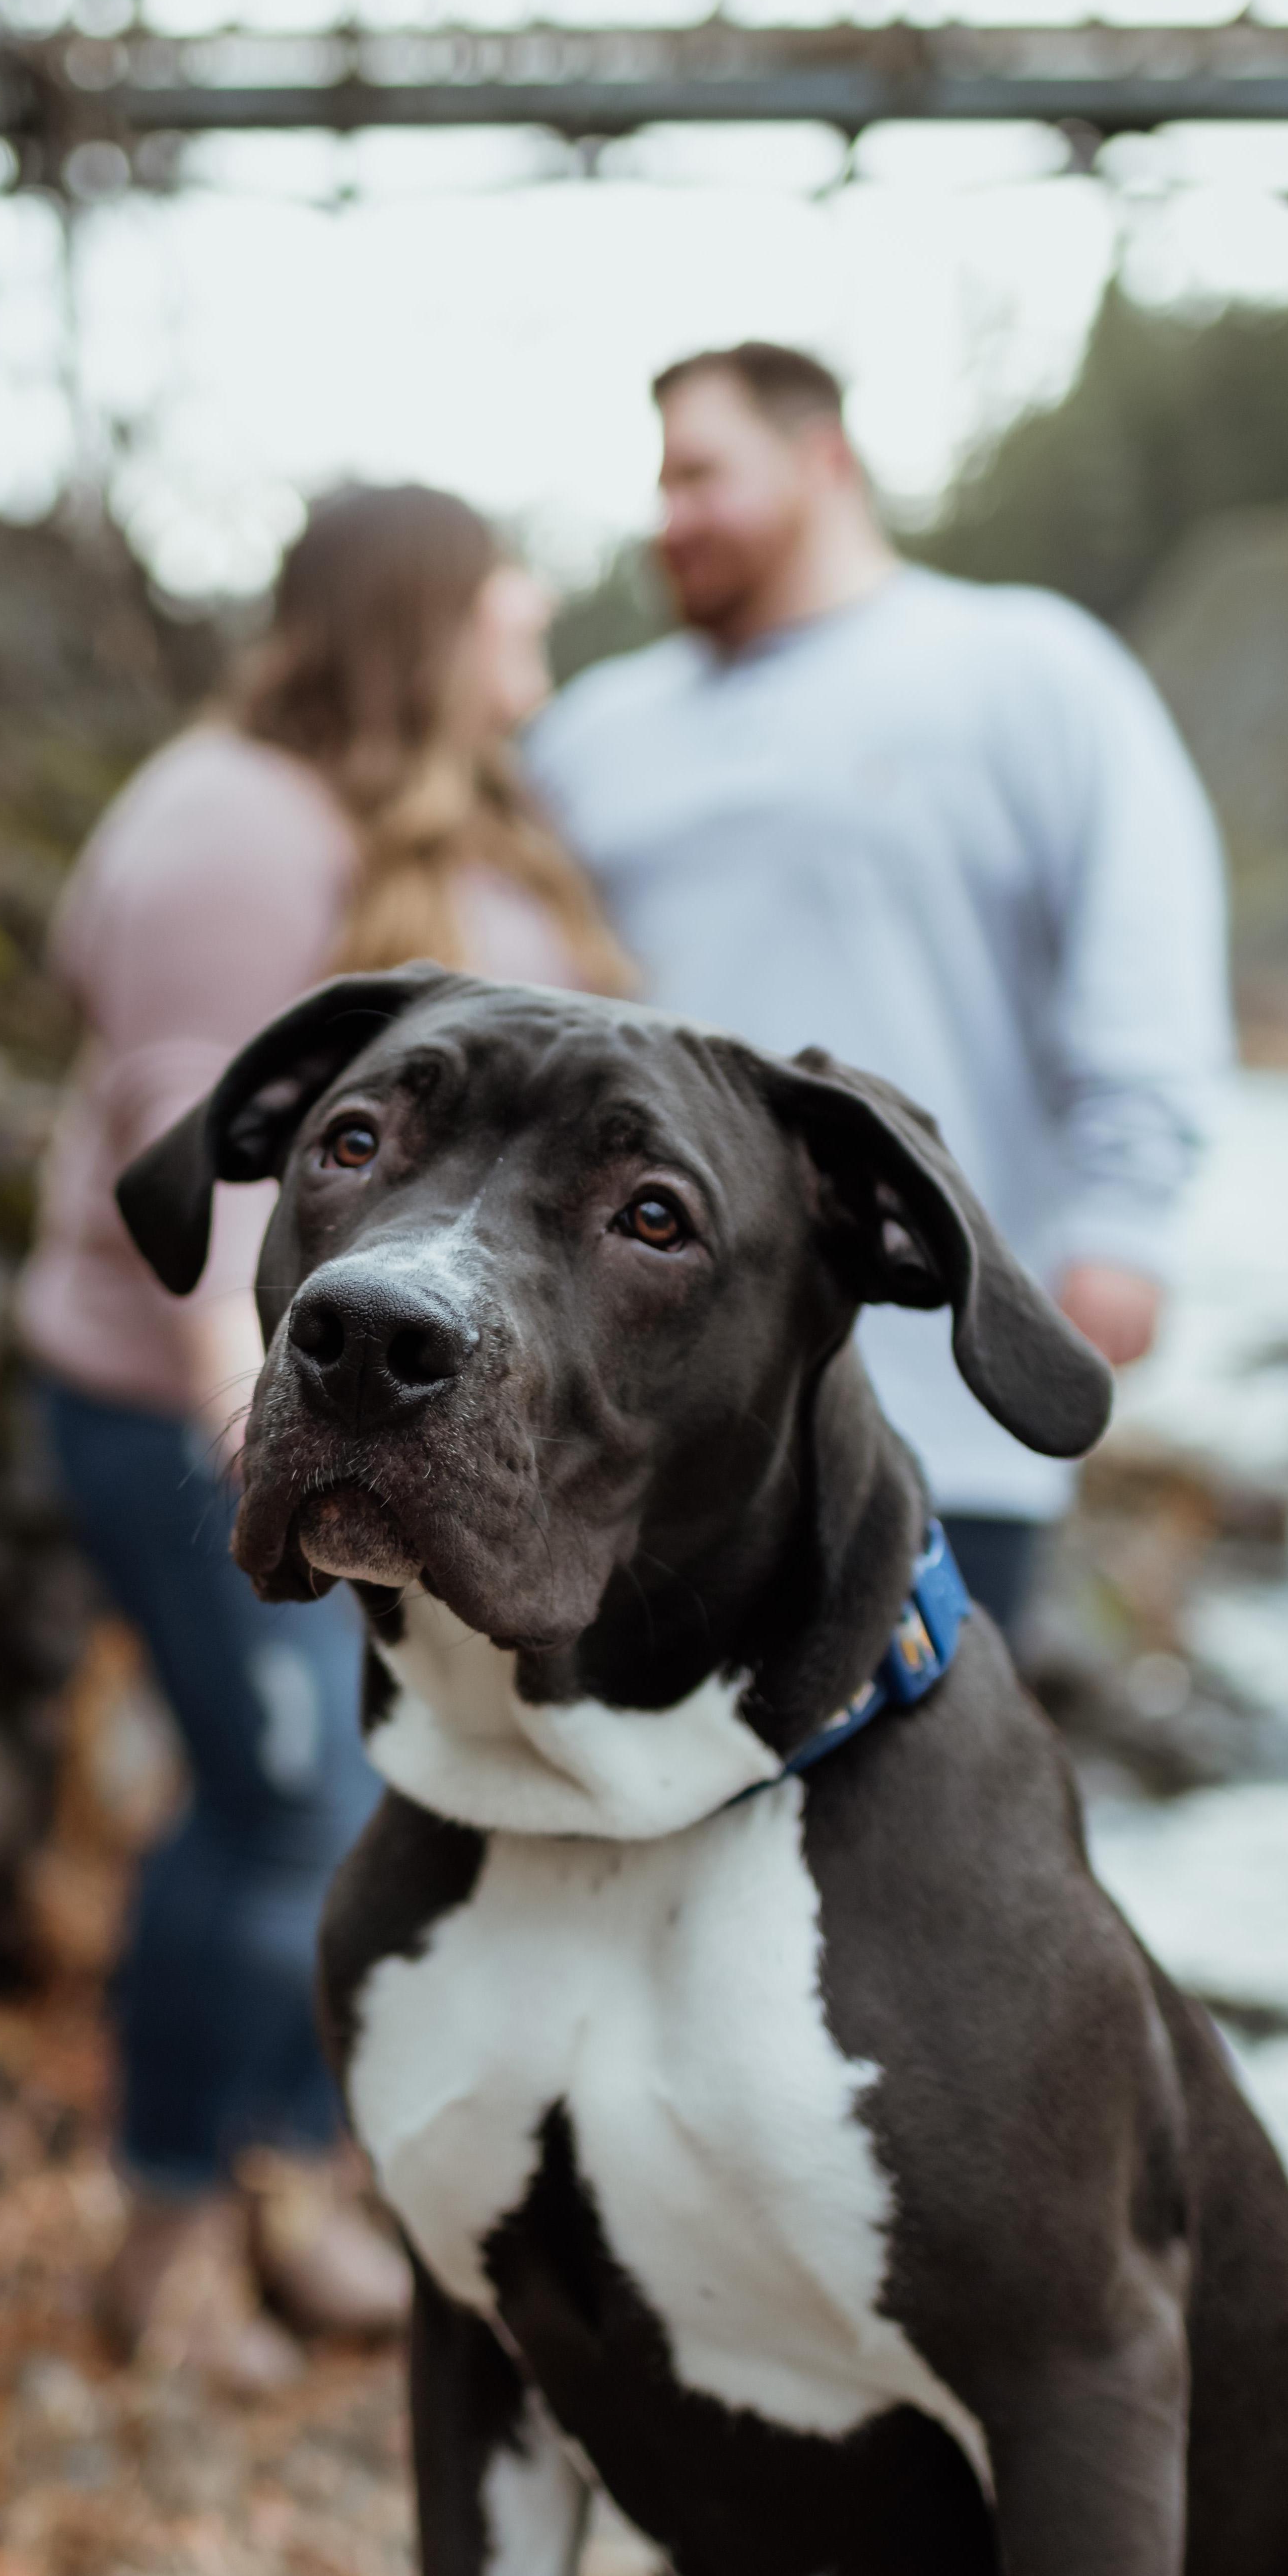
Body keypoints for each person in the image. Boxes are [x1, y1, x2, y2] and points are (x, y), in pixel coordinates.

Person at [19, 485, 627, 2389]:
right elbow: (198, 1138)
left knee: (362, 1802)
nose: (539, 617)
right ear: (423, 612)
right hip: (202, 1406)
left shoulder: (444, 805)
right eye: (506, 590)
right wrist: (253, 1426)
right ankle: (168, 2224)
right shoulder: (230, 819)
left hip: (393, 1414)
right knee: (274, 1800)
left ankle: (293, 2175)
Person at [523, 339, 1232, 1633]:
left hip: (937, 1393)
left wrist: (1128, 1213)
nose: (668, 520)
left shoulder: (1025, 671)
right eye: (659, 485)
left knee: (919, 1793)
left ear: (824, 461)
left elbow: (1144, 933)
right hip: (634, 1407)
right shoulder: (593, 734)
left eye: (701, 475)